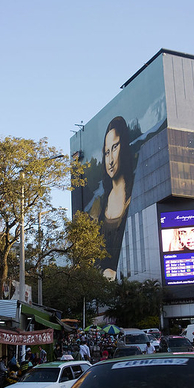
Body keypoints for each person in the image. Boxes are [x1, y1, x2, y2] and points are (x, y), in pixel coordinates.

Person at [88, 116, 135, 278]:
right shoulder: (98, 205)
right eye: (106, 152)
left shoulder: (137, 190)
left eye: (115, 147)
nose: (110, 160)